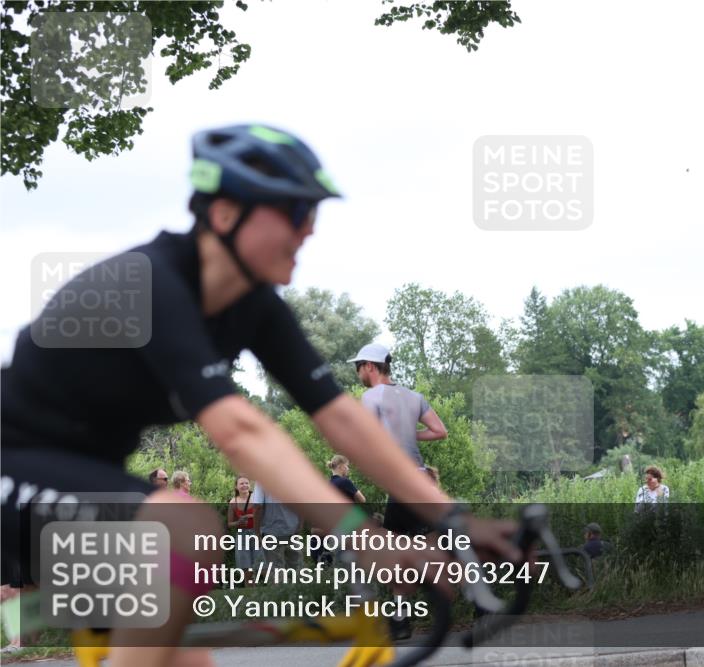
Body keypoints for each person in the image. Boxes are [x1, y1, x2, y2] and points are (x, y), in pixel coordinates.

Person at [0, 124, 516, 667]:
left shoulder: (254, 306)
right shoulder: (150, 282)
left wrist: (453, 519)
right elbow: (241, 432)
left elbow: (342, 419)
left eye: (313, 214)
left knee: (186, 662)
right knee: (189, 526)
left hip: (83, 480)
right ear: (225, 214)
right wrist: (364, 537)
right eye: (296, 212)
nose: (309, 229)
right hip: (12, 466)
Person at [347, 342, 449, 639]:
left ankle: (402, 621)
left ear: (370, 366)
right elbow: (439, 431)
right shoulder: (414, 396)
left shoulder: (371, 396)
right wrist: (408, 435)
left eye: (358, 367)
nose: (358, 374)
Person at [251, 483, 304, 570]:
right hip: (292, 530)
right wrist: (300, 526)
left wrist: (257, 533)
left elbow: (258, 507)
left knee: (276, 571)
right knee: (296, 568)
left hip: (271, 531)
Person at [226, 476, 256, 581]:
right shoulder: (233, 502)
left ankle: (274, 587)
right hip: (242, 535)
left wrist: (250, 516)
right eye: (241, 483)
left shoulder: (256, 498)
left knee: (263, 566)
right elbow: (229, 523)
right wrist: (238, 522)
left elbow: (265, 516)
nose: (244, 485)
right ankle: (251, 589)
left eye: (246, 483)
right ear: (236, 487)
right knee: (246, 569)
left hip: (257, 533)